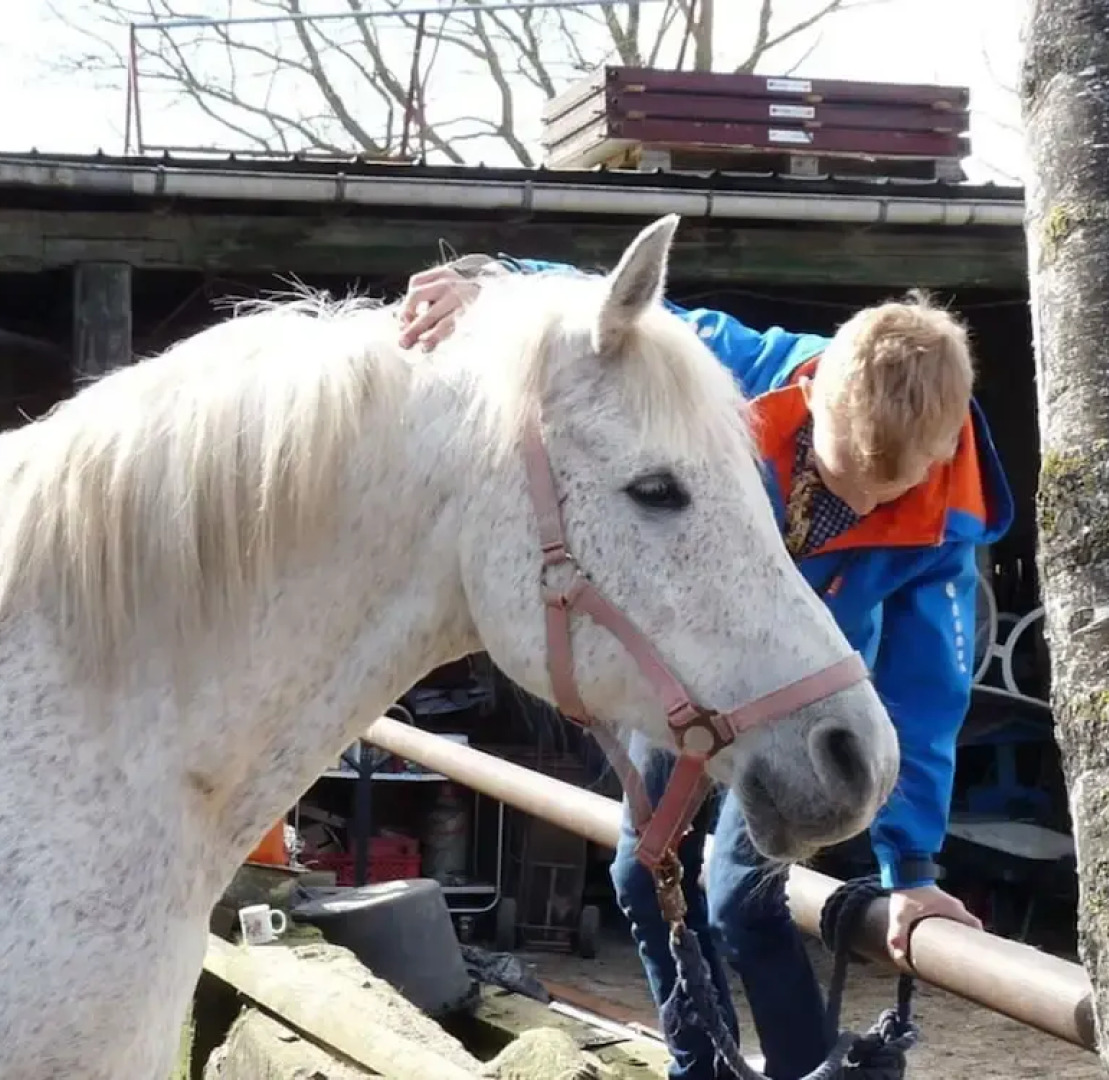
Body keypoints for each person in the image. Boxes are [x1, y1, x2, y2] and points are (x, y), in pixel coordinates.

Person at [397, 255, 1015, 1080]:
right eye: (839, 476)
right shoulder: (746, 371)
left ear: (935, 461)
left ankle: (802, 1067)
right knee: (638, 870)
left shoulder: (948, 523)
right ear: (814, 394)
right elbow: (620, 313)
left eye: (887, 494)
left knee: (741, 900)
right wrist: (499, 286)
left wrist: (913, 870)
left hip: (796, 708)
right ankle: (704, 1066)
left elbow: (926, 693)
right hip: (695, 675)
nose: (860, 506)